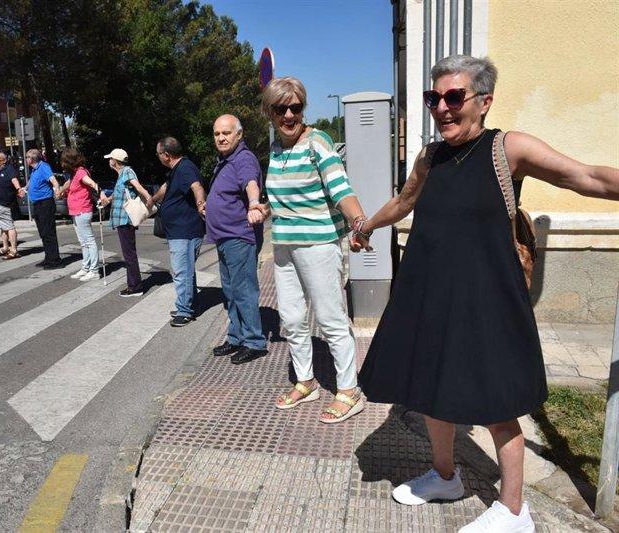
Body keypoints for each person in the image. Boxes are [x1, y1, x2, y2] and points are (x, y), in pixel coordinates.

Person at [356, 55, 619, 533]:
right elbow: (404, 200)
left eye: (454, 97)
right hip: (429, 294)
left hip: (486, 300)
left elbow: (585, 178)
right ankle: (444, 476)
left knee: (497, 402)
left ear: (484, 101)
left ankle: (515, 511)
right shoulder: (430, 157)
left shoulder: (507, 149)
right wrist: (367, 226)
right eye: (433, 98)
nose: (442, 108)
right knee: (428, 389)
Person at [259, 77, 369, 424]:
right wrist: (265, 208)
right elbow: (284, 197)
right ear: (271, 112)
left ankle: (350, 391)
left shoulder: (316, 142)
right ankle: (306, 381)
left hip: (318, 245)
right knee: (291, 318)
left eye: (296, 107)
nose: (290, 114)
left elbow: (341, 189)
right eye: (281, 108)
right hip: (284, 246)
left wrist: (358, 222)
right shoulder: (276, 150)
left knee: (330, 318)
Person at [202, 114, 267, 363]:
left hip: (239, 237)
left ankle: (254, 341)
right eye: (217, 133)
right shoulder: (225, 160)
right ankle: (236, 337)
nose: (221, 137)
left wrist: (253, 203)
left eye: (226, 133)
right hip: (225, 237)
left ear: (239, 135)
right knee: (230, 291)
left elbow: (251, 182)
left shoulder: (243, 158)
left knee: (243, 290)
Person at [149, 137, 206, 326]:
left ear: (166, 155)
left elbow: (197, 187)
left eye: (158, 154)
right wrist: (153, 199)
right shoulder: (176, 171)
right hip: (180, 230)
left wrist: (200, 205)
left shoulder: (186, 168)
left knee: (182, 272)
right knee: (187, 270)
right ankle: (192, 305)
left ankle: (184, 311)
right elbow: (166, 188)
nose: (157, 157)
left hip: (185, 231)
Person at [99, 148, 152, 297]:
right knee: (129, 254)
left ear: (115, 161)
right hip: (122, 219)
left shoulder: (127, 172)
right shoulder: (121, 174)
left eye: (110, 159)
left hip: (126, 219)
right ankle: (134, 285)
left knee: (129, 255)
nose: (109, 161)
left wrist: (149, 199)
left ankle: (135, 287)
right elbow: (119, 194)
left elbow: (138, 186)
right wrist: (106, 201)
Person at [57, 148, 101, 280]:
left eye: (64, 161)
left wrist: (100, 192)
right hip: (75, 211)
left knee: (89, 241)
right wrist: (61, 191)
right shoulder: (74, 173)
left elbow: (92, 183)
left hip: (82, 210)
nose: (62, 164)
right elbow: (68, 184)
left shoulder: (81, 172)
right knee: (83, 242)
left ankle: (94, 270)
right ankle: (86, 267)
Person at [19, 148, 62, 269]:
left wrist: (57, 191)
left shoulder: (44, 166)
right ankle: (48, 258)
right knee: (43, 233)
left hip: (45, 203)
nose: (26, 159)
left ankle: (55, 261)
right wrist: (25, 188)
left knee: (49, 233)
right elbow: (31, 182)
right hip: (38, 204)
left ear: (32, 158)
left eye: (27, 157)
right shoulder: (35, 169)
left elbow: (54, 181)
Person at [0, 149, 22, 260]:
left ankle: (14, 250)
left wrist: (19, 189)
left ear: (4, 160)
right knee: (3, 227)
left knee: (9, 227)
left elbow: (14, 179)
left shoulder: (9, 169)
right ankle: (6, 247)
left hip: (2, 204)